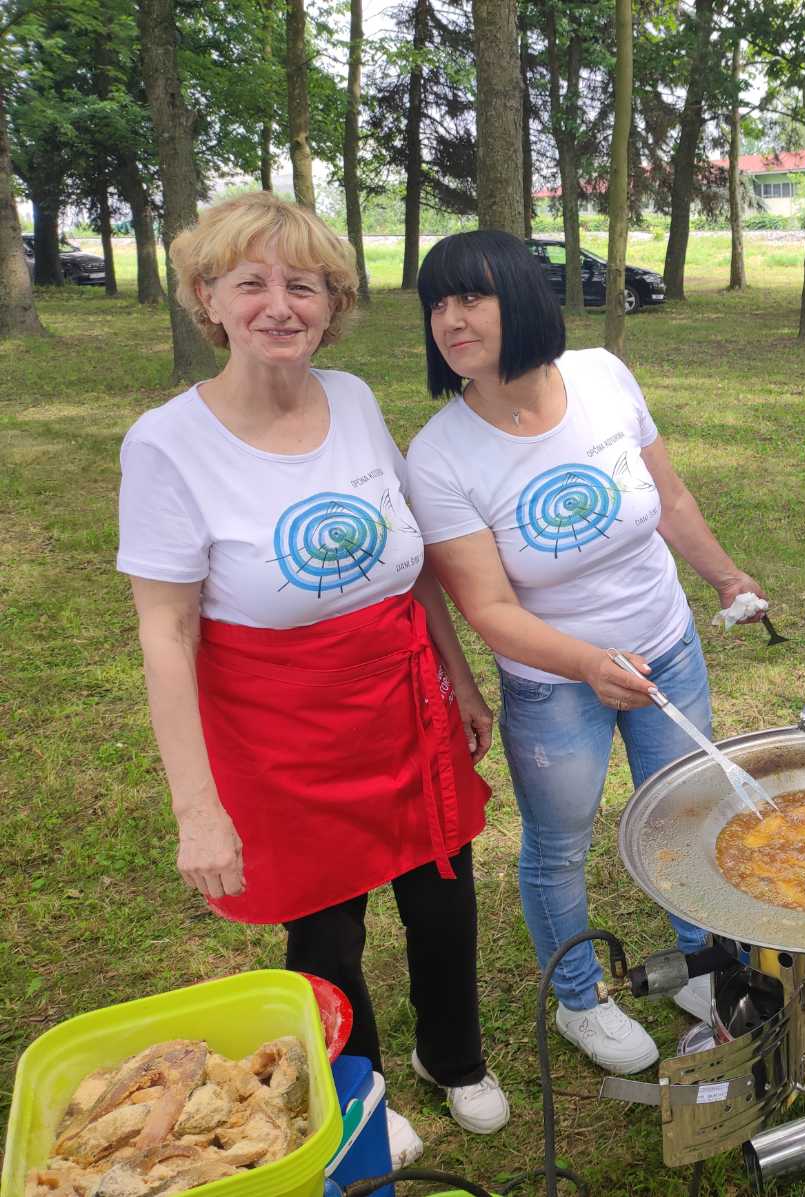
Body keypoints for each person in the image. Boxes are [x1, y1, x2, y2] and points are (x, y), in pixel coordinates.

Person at [116, 192, 508, 1165]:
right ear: (209, 298)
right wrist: (197, 810)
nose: (280, 305)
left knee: (443, 895)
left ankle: (453, 1055)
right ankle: (359, 1088)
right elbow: (166, 631)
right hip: (280, 733)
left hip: (404, 704)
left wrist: (459, 678)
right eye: (251, 283)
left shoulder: (356, 399)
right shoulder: (166, 443)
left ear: (333, 304)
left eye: (305, 285)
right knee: (328, 934)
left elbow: (412, 561)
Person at [404, 230, 767, 1076]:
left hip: (667, 647)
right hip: (553, 688)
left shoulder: (603, 375)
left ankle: (702, 968)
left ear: (523, 300)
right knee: (559, 845)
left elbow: (668, 497)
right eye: (438, 304)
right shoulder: (440, 455)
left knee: (684, 815)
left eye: (472, 298)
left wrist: (723, 576)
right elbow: (490, 609)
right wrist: (587, 665)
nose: (451, 320)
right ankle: (578, 998)